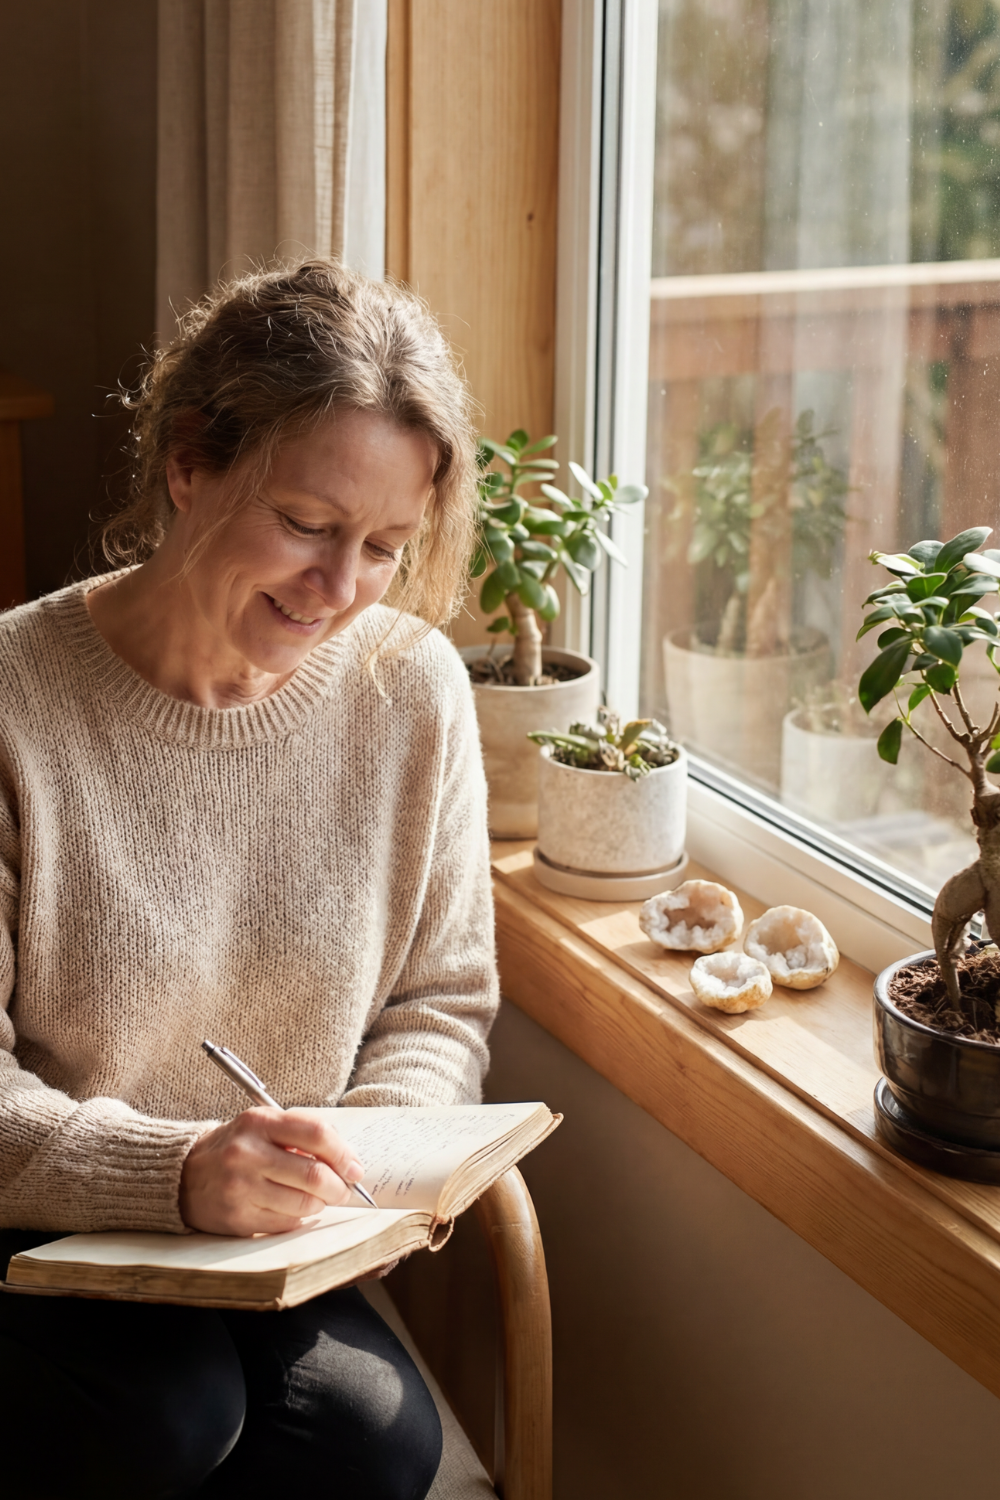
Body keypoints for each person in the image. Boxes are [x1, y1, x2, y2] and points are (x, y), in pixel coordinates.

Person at [0, 260, 499, 1499]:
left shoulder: (412, 691)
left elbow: (440, 1001)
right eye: (309, 526)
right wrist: (170, 1174)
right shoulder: (14, 704)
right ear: (190, 463)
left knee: (378, 1441)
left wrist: (376, 1148)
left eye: (385, 547)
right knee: (166, 1416)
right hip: (38, 1217)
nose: (340, 593)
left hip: (281, 1229)